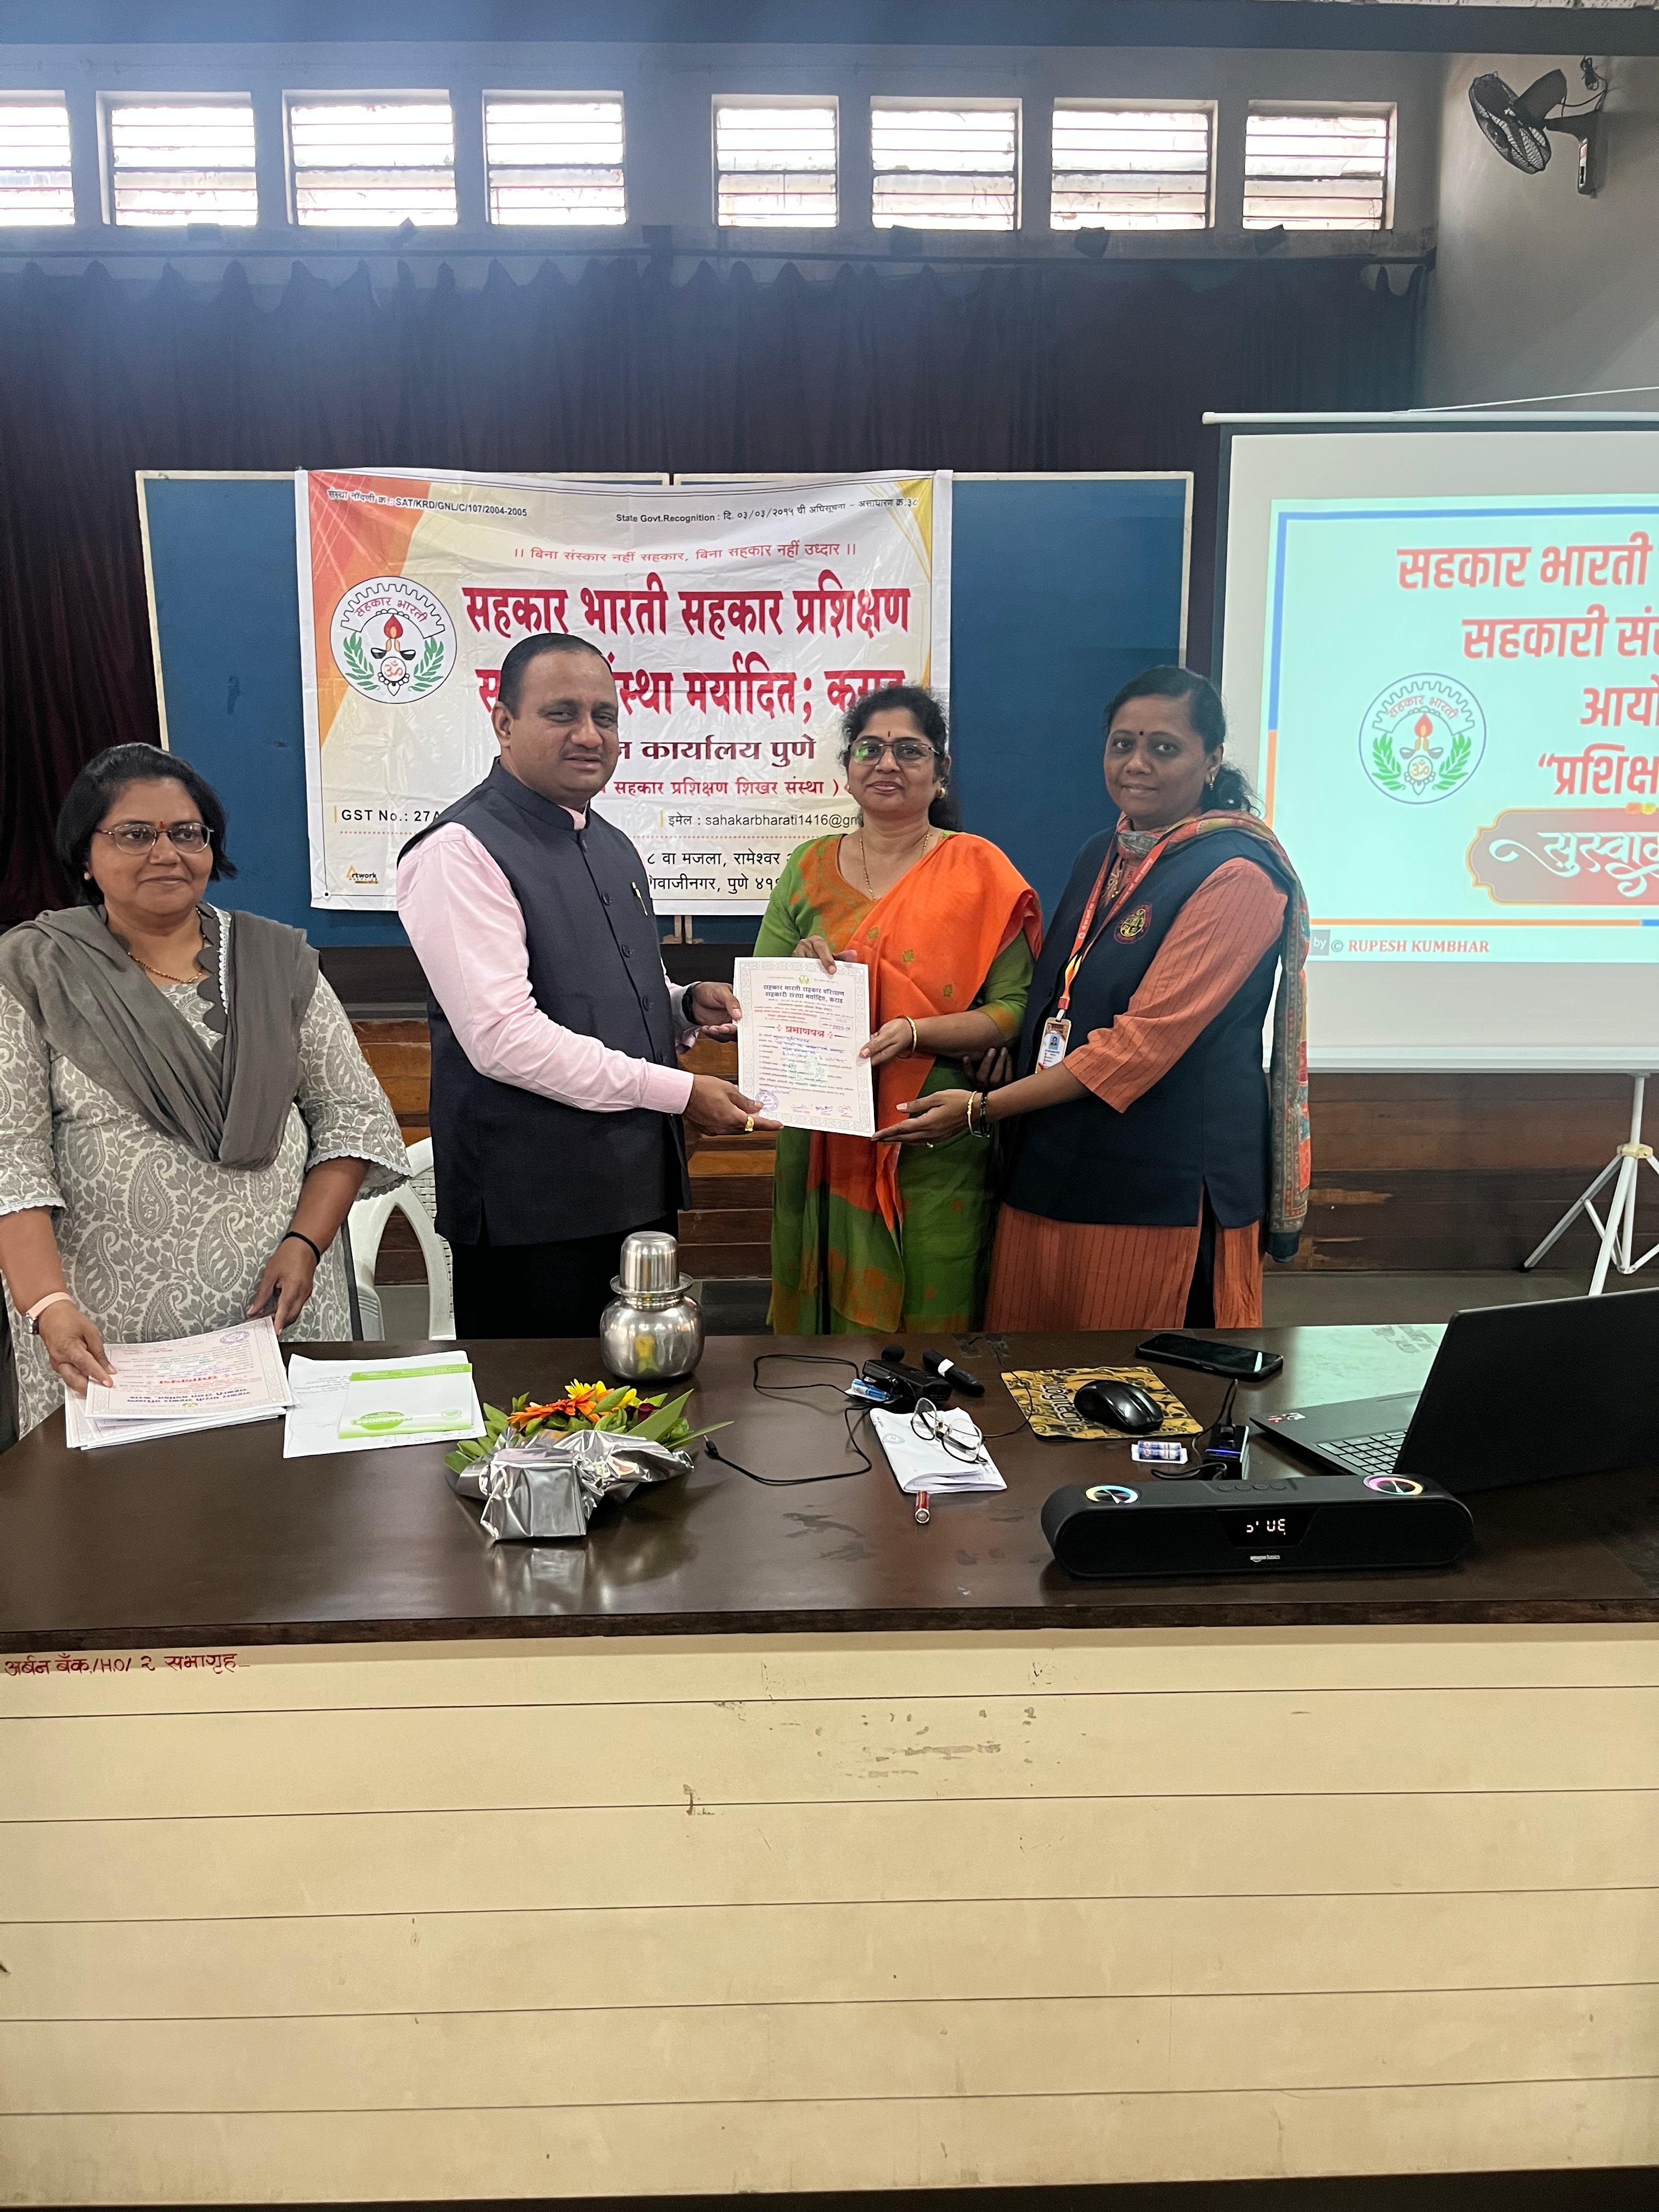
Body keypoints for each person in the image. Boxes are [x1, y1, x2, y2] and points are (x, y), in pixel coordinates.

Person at [877, 668, 1309, 1331]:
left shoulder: (1238, 876)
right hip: (1051, 1163)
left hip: (1159, 1187)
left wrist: (982, 1109)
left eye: (1164, 747)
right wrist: (1010, 1050)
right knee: (1031, 1373)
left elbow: (1138, 1048)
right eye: (1122, 744)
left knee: (1141, 1378)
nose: (1137, 763)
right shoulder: (1102, 854)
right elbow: (1063, 996)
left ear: (1212, 759)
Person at [0, 744, 409, 1437]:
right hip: (104, 1336)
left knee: (287, 1498)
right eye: (135, 834)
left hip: (277, 1314)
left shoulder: (275, 963)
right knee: (119, 1505)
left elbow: (351, 1119)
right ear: (85, 855)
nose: (166, 853)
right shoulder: (34, 972)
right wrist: (47, 1305)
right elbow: (12, 1159)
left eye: (187, 833)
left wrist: (305, 1245)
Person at [397, 630, 775, 1340]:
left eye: (605, 716)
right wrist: (681, 1092)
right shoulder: (460, 851)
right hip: (531, 1213)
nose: (589, 735)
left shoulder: (612, 845)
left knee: (645, 1393)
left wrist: (682, 1005)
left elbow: (606, 989)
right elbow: (504, 1040)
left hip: (634, 1190)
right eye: (561, 713)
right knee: (537, 1406)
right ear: (503, 722)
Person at [753, 685, 1040, 1335]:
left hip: (934, 1129)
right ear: (848, 768)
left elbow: (1016, 1007)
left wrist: (917, 1032)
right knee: (821, 1343)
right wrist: (800, 969)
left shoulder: (980, 870)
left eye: (910, 750)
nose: (887, 763)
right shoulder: (807, 867)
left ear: (940, 773)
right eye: (870, 749)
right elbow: (762, 1000)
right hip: (825, 1134)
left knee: (931, 1314)